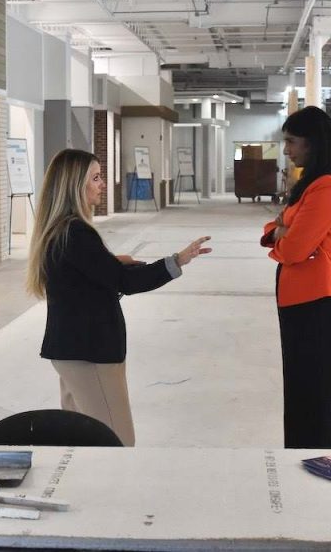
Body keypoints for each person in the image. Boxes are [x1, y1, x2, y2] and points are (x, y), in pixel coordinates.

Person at [27, 149, 211, 445]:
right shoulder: (76, 233)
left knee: (80, 441)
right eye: (96, 177)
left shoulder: (61, 231)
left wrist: (111, 262)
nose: (102, 184)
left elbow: (87, 275)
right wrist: (177, 260)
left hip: (71, 349)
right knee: (117, 442)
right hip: (89, 353)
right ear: (75, 185)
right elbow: (123, 280)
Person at [261, 106, 331, 449]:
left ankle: (311, 458)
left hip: (319, 299)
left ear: (313, 143)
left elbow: (294, 249)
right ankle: (297, 458)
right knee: (299, 387)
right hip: (300, 297)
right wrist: (282, 231)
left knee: (313, 392)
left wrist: (283, 234)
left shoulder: (329, 187)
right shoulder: (312, 183)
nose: (287, 150)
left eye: (291, 142)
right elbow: (278, 226)